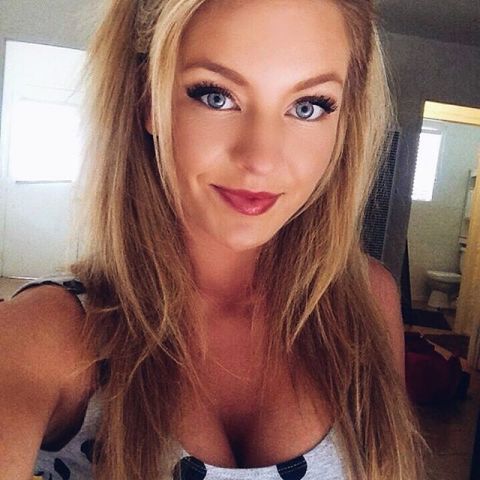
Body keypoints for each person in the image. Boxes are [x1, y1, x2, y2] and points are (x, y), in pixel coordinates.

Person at [0, 0, 430, 479]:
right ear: (148, 99)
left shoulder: (368, 300)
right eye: (216, 96)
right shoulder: (46, 335)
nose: (261, 159)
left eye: (308, 106)